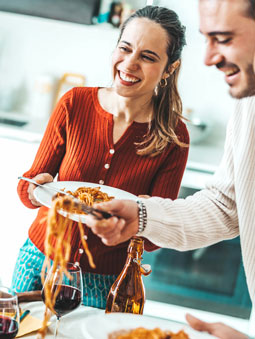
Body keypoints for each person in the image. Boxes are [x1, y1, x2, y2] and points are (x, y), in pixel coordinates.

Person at [84, 0, 255, 336]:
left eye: (223, 38)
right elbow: (226, 204)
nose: (208, 58)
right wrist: (141, 215)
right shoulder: (247, 100)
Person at [12, 6, 189, 309]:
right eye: (125, 48)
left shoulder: (174, 136)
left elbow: (158, 236)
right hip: (38, 262)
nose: (130, 64)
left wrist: (144, 217)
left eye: (147, 57)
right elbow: (29, 188)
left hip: (105, 282)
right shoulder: (74, 102)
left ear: (170, 68)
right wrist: (34, 187)